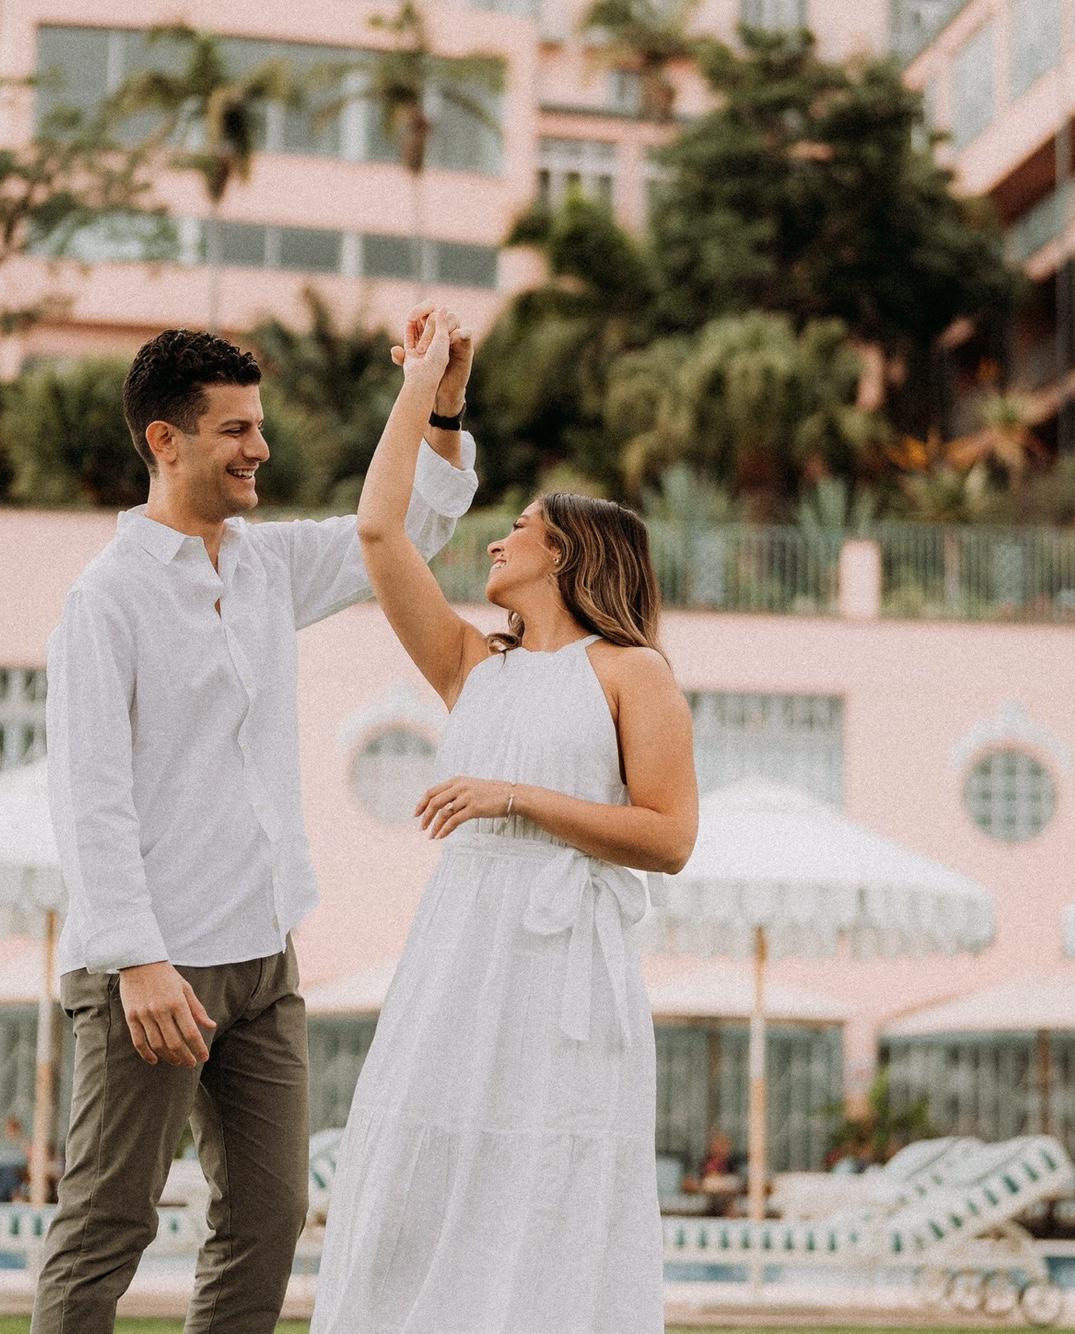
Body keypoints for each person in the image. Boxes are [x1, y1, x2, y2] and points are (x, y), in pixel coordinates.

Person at [31, 313, 478, 1334]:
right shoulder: (105, 601)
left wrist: (443, 403)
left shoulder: (268, 565)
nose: (260, 448)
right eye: (235, 429)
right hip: (152, 967)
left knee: (270, 1214)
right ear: (165, 440)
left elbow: (408, 532)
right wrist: (138, 959)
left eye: (258, 425)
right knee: (107, 1223)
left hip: (263, 955)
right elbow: (89, 796)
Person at [311, 308, 699, 1333]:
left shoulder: (633, 672)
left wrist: (514, 797)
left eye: (520, 525)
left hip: (563, 962)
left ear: (571, 554)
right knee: (422, 1159)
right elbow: (379, 531)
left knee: (547, 1172)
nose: (495, 536)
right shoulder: (469, 663)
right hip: (458, 948)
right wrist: (429, 392)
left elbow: (668, 836)